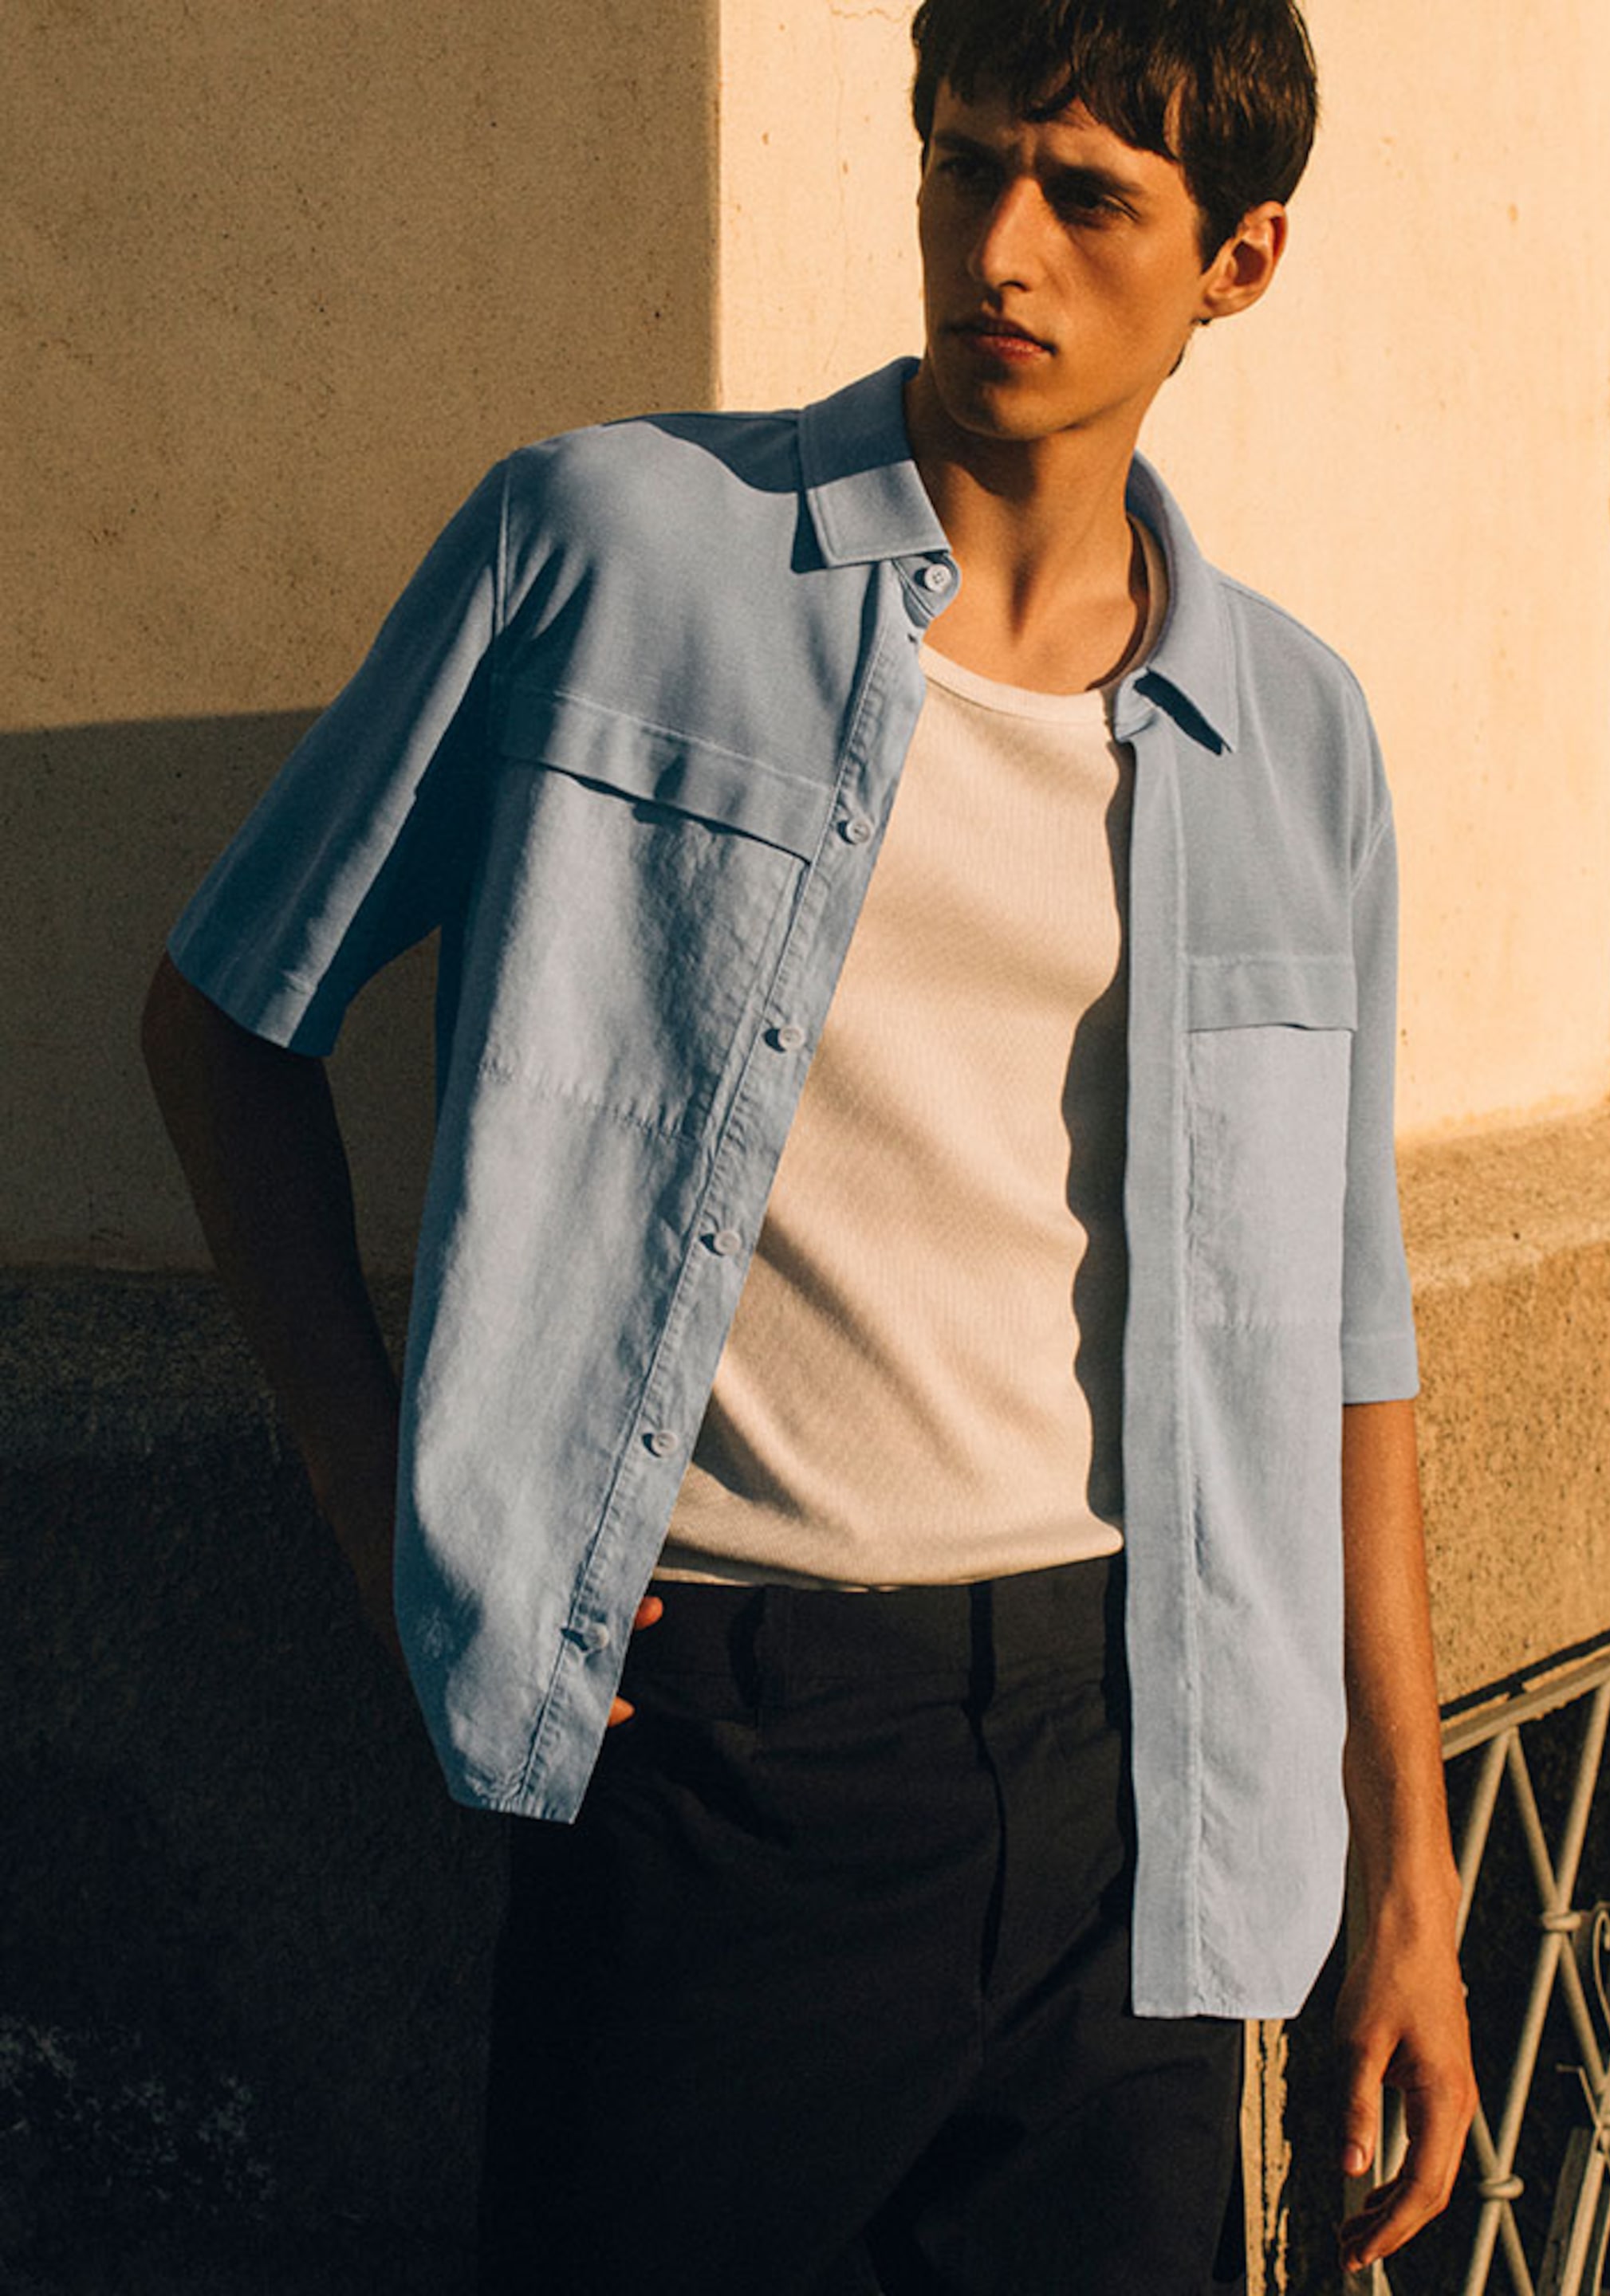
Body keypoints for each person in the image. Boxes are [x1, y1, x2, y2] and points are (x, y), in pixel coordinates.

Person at [142, 0, 1478, 2287]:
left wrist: (1411, 1883)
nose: (1002, 248)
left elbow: (1339, 1324)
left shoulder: (1296, 733)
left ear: (1237, 262)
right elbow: (222, 1023)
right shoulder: (611, 547)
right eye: (968, 167)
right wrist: (389, 1523)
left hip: (1134, 1757)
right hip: (731, 1743)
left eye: (1086, 197)